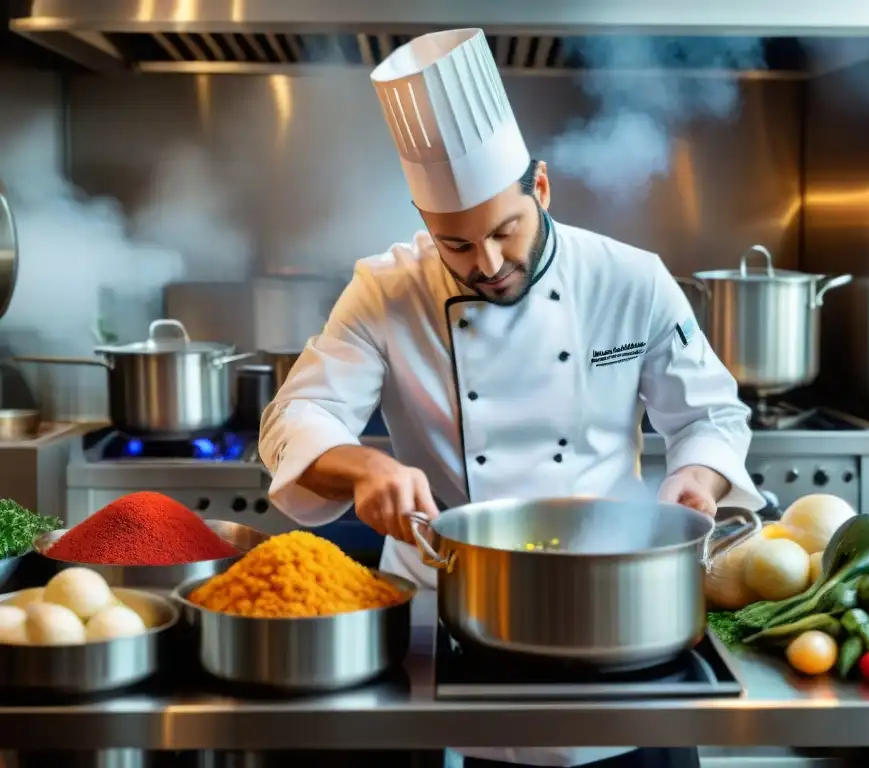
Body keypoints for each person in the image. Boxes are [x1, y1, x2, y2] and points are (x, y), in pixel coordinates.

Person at [259, 28, 762, 768]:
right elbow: (297, 417)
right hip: (451, 615)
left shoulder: (631, 278)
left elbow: (711, 414)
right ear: (426, 224)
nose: (488, 264)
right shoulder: (385, 290)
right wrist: (364, 469)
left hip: (616, 607)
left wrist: (699, 476)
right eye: (456, 245)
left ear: (542, 188)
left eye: (505, 230)